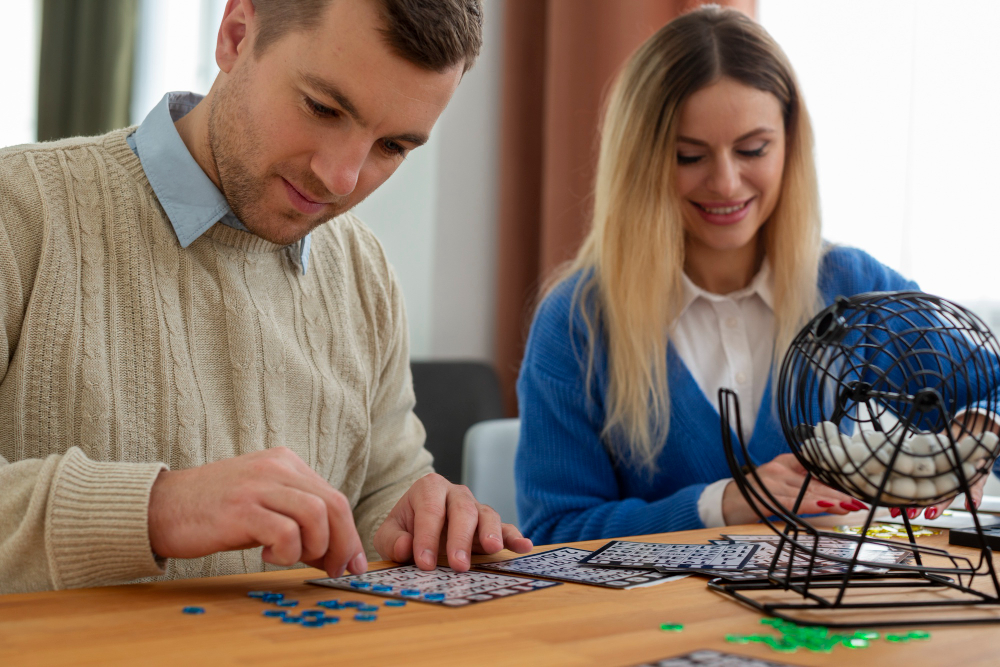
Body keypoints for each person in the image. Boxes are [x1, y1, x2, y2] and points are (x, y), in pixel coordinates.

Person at [0, 0, 531, 595]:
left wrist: (421, 518)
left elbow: (384, 486)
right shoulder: (16, 211)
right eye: (323, 108)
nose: (341, 178)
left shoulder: (363, 268)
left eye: (392, 147)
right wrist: (161, 509)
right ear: (235, 36)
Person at [514, 5, 997, 545]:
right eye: (689, 156)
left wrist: (979, 431)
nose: (725, 182)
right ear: (641, 160)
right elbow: (555, 531)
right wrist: (722, 502)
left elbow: (990, 386)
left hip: (829, 597)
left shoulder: (851, 286)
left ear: (790, 144)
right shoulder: (577, 321)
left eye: (752, 150)